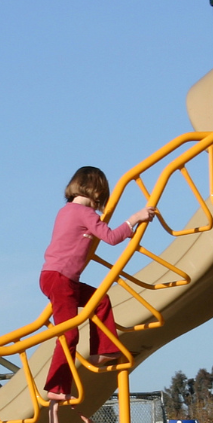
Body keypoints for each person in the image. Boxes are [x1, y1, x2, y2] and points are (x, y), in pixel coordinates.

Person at [40, 165, 155, 400]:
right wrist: (134, 219)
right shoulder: (86, 214)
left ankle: (103, 350)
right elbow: (111, 237)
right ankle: (56, 388)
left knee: (100, 300)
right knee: (69, 334)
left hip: (58, 277)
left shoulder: (65, 211)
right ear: (97, 193)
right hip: (61, 279)